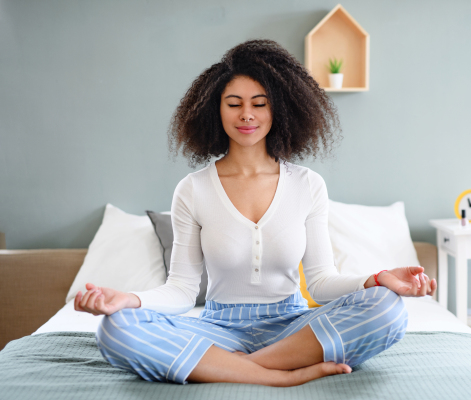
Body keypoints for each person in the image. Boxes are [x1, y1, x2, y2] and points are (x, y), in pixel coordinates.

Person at [74, 39, 436, 387]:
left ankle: (230, 368)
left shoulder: (308, 184)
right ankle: (283, 373)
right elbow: (182, 292)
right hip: (216, 329)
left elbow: (323, 284)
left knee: (387, 308)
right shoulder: (193, 189)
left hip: (294, 327)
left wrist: (378, 279)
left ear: (279, 109)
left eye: (259, 103)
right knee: (116, 328)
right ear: (215, 110)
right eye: (234, 103)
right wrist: (128, 299)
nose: (246, 114)